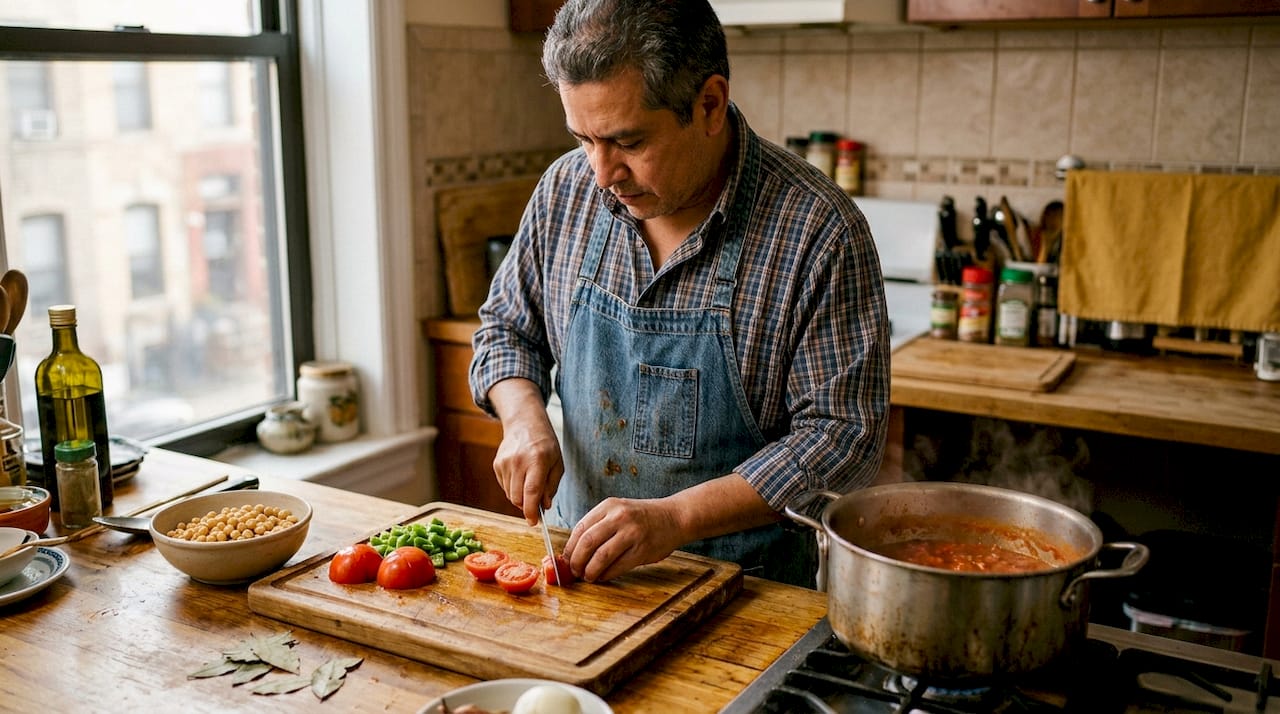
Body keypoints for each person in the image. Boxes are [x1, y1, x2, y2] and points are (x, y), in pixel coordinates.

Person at [469, 0, 889, 588]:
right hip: (582, 581)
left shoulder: (818, 231)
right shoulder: (565, 191)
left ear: (709, 105)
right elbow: (506, 329)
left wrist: (676, 518)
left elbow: (843, 437)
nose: (601, 174)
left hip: (746, 594)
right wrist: (522, 419)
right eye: (584, 139)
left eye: (628, 141)